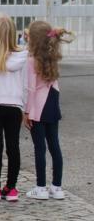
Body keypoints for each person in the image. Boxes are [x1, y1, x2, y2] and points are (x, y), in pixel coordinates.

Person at [0, 13, 29, 202]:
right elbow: (25, 85)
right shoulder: (22, 56)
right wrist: (25, 108)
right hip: (14, 105)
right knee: (13, 146)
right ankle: (11, 187)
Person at [24, 21, 73, 201]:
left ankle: (40, 187)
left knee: (39, 148)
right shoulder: (53, 56)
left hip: (37, 106)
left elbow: (30, 88)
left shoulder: (31, 60)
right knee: (54, 146)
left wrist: (26, 112)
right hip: (52, 102)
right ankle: (57, 187)